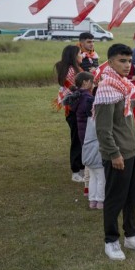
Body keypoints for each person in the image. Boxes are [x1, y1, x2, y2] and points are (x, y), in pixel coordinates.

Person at [94, 43, 135, 261]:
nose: (127, 65)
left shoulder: (121, 86)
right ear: (110, 62)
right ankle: (111, 240)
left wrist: (133, 104)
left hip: (131, 152)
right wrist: (114, 154)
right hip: (118, 154)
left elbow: (119, 115)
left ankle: (131, 235)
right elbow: (103, 129)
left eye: (129, 61)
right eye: (122, 61)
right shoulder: (107, 89)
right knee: (115, 199)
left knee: (131, 197)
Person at [68, 71, 105, 209]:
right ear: (85, 82)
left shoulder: (77, 98)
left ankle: (91, 198)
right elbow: (96, 114)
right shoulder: (88, 99)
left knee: (91, 169)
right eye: (92, 81)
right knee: (100, 173)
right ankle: (100, 201)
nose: (94, 83)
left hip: (85, 138)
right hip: (93, 137)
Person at [54, 45, 85, 183]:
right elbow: (74, 87)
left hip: (78, 108)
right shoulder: (72, 71)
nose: (82, 55)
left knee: (81, 139)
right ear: (73, 55)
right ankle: (76, 171)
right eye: (80, 53)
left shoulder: (73, 69)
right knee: (77, 139)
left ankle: (82, 168)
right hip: (74, 109)